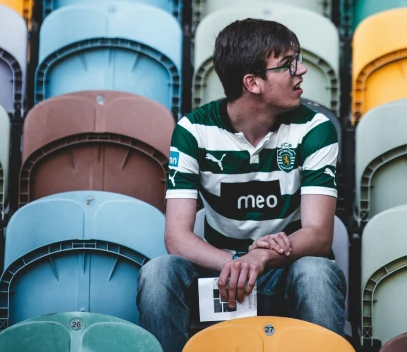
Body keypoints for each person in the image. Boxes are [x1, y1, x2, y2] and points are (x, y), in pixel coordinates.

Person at [137, 18, 346, 352]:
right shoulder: (194, 131)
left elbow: (320, 235)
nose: (301, 70)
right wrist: (233, 262)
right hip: (222, 269)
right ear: (253, 82)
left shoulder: (315, 129)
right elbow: (176, 237)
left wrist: (261, 258)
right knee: (159, 272)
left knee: (316, 273)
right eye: (288, 64)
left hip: (284, 268)